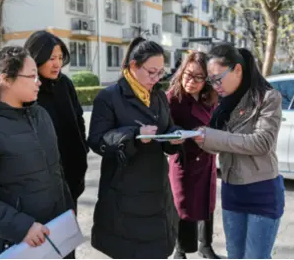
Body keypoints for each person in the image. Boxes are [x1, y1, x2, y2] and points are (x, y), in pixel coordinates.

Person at [0, 46, 74, 259]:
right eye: (32, 76)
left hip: (55, 236)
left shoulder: (40, 115)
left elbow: (56, 172)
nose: (39, 81)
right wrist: (22, 227)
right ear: (6, 79)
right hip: (11, 245)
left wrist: (68, 209)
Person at [88, 37, 184, 259]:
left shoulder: (158, 95)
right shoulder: (109, 96)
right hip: (124, 191)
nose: (156, 78)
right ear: (133, 66)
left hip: (156, 190)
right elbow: (97, 140)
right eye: (151, 72)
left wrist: (174, 135)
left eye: (160, 73)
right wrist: (133, 135)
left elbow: (166, 127)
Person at [194, 44, 285, 259]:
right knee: (234, 254)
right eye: (211, 80)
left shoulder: (267, 98)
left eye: (218, 78)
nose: (214, 85)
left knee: (255, 256)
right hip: (232, 191)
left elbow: (261, 142)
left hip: (262, 191)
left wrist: (212, 136)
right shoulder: (222, 104)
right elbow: (217, 143)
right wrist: (196, 137)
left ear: (237, 70)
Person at [24, 31, 88, 210]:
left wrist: (82, 147)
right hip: (39, 180)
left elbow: (78, 118)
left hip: (71, 171)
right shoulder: (26, 89)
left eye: (60, 58)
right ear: (36, 57)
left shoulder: (65, 84)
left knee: (67, 229)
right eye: (51, 58)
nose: (57, 64)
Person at [167, 52, 219, 259]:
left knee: (207, 204)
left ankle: (206, 245)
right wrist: (175, 134)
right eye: (189, 75)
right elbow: (165, 127)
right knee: (183, 206)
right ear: (181, 72)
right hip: (184, 161)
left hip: (206, 160)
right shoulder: (172, 97)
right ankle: (180, 250)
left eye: (199, 77)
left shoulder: (211, 97)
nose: (192, 81)